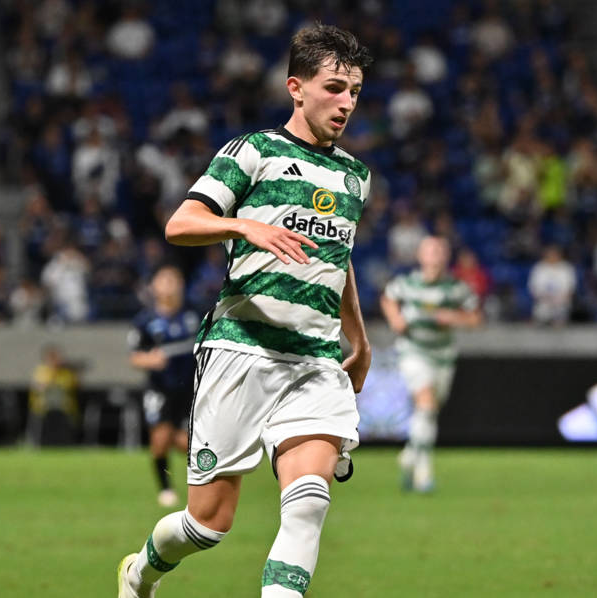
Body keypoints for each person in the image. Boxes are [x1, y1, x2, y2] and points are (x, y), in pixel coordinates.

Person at [117, 24, 373, 598]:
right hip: (241, 349)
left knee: (308, 503)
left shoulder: (355, 177)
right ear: (296, 88)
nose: (347, 103)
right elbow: (181, 223)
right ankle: (139, 574)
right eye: (335, 88)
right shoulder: (253, 152)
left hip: (314, 360)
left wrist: (359, 338)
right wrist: (243, 226)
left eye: (355, 91)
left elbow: (339, 259)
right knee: (207, 523)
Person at [380, 236, 482, 493]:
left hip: (443, 357)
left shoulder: (456, 288)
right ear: (420, 256)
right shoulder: (407, 283)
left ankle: (410, 455)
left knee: (429, 412)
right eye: (430, 251)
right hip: (413, 352)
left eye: (439, 251)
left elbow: (475, 318)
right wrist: (395, 319)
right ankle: (423, 474)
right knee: (425, 405)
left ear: (446, 257)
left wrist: (453, 317)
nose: (435, 256)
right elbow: (388, 298)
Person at [128, 265, 200, 507]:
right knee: (160, 439)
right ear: (154, 286)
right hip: (159, 388)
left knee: (185, 442)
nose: (169, 285)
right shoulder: (145, 321)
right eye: (163, 280)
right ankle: (166, 489)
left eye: (173, 279)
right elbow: (135, 356)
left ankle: (200, 488)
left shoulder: (194, 315)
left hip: (190, 389)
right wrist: (150, 359)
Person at [27, 343, 81, 446]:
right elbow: (38, 387)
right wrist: (52, 376)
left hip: (64, 408)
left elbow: (73, 387)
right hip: (43, 408)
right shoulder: (41, 371)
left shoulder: (66, 373)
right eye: (54, 358)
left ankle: (67, 443)